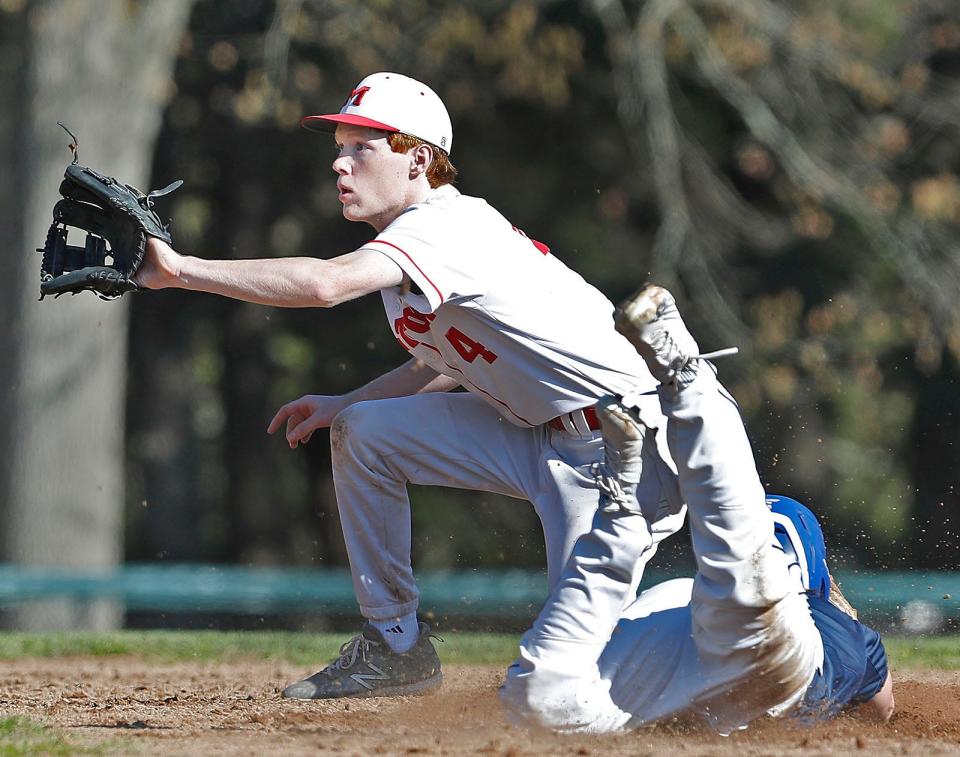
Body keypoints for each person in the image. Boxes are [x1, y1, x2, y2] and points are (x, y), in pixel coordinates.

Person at [135, 72, 688, 699]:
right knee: (365, 432)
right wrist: (348, 403)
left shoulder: (443, 226)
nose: (340, 165)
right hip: (541, 436)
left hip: (619, 451)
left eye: (363, 147)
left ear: (419, 158)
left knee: (586, 680)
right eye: (339, 148)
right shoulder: (411, 245)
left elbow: (324, 285)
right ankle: (394, 647)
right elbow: (443, 365)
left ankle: (777, 602)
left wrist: (178, 270)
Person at [499, 285, 893, 732]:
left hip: (655, 684)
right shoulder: (839, 631)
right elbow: (883, 709)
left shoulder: (688, 600)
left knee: (534, 702)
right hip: (709, 674)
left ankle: (625, 505)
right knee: (741, 568)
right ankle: (685, 376)